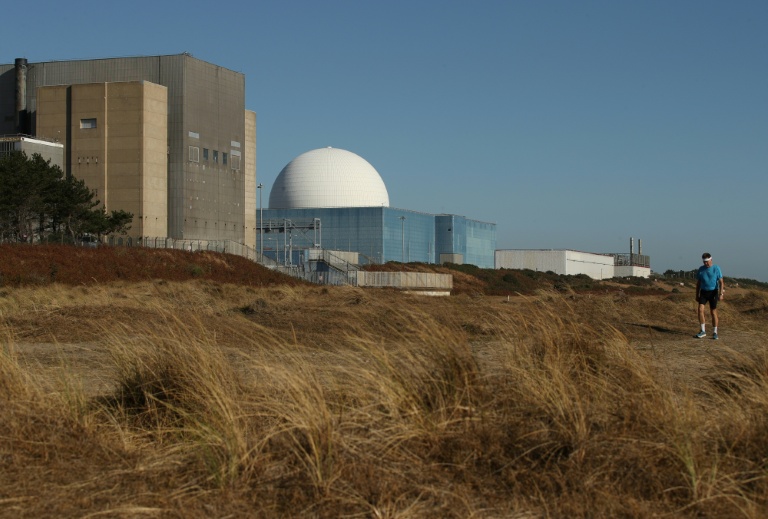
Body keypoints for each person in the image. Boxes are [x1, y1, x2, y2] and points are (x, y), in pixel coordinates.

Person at [695, 252, 724, 339]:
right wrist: (697, 295)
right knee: (700, 309)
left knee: (713, 312)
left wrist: (721, 294)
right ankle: (703, 331)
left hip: (713, 292)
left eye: (707, 261)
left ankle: (715, 332)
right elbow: (698, 283)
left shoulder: (716, 268)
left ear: (711, 260)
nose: (706, 263)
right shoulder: (701, 269)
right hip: (703, 292)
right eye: (704, 262)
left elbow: (721, 282)